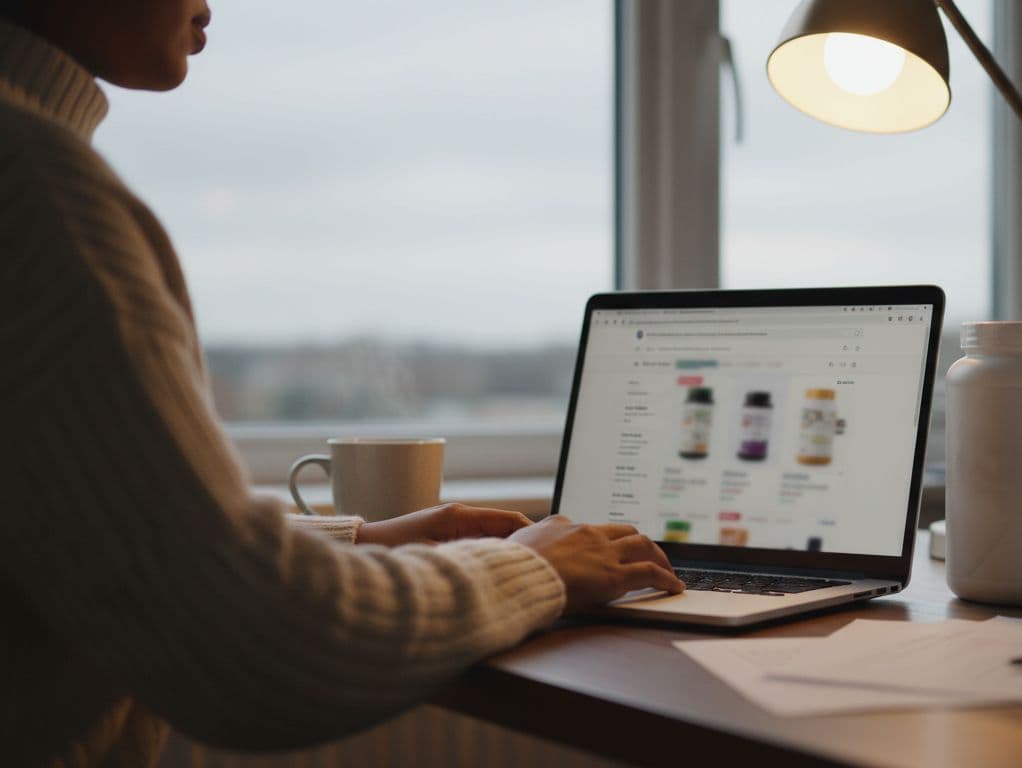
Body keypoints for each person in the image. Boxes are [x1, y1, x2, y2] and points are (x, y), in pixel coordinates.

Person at [0, 2, 684, 766]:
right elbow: (258, 645)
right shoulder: (35, 195)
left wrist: (361, 542)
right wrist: (535, 567)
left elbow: (94, 535)